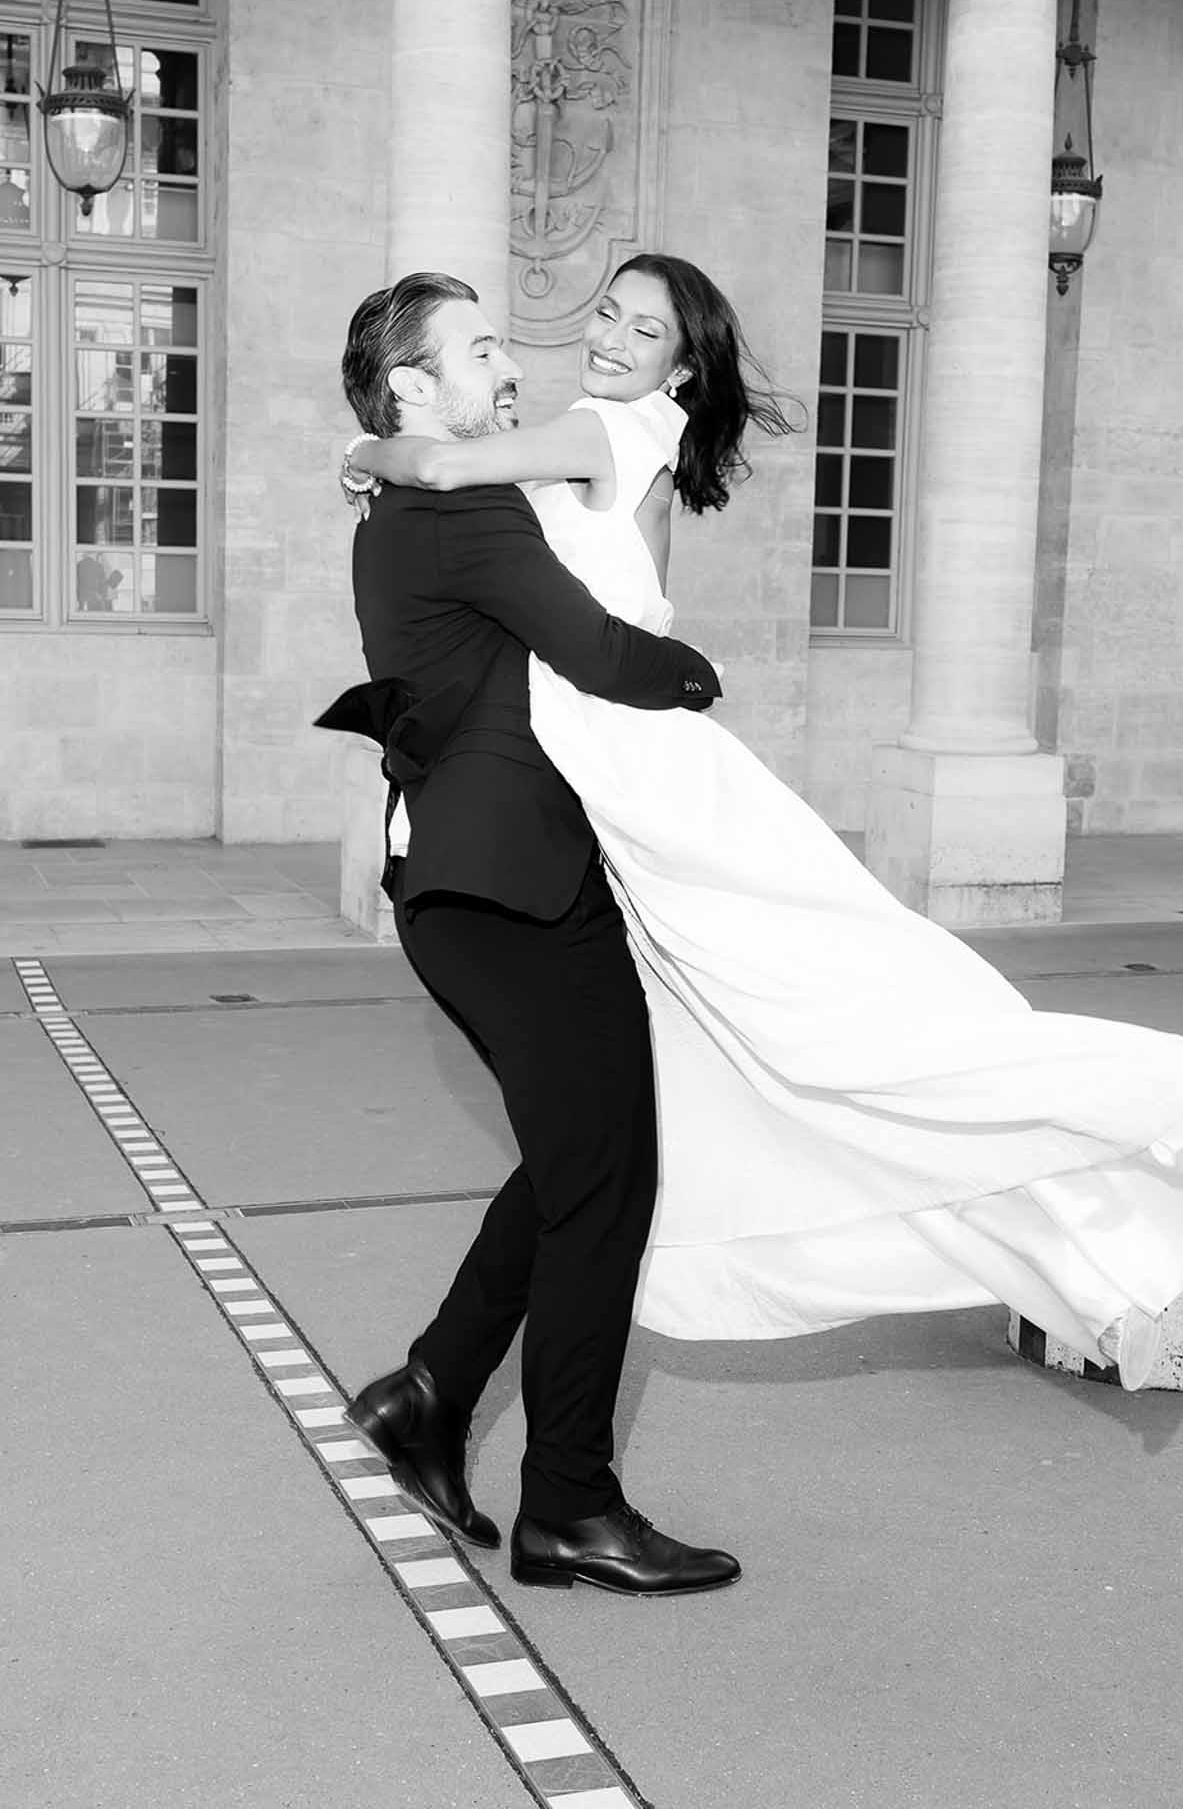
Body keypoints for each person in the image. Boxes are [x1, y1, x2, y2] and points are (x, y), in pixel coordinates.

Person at [343, 252, 1183, 1397]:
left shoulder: (603, 432)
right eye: (605, 312)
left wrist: (361, 451)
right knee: (677, 1091)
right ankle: (452, 1404)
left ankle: (1133, 1109)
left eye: (643, 330)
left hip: (644, 777)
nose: (604, 337)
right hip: (599, 799)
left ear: (679, 367)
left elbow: (456, 481)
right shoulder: (565, 455)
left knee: (807, 1020)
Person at [319, 270, 740, 1598]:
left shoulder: (411, 500)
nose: (511, 367)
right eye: (480, 350)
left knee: (584, 1162)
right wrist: (694, 679)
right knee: (603, 1181)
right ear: (411, 389)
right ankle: (565, 1501)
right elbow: (605, 655)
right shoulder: (459, 503)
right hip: (506, 892)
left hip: (495, 882)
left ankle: (433, 1392)